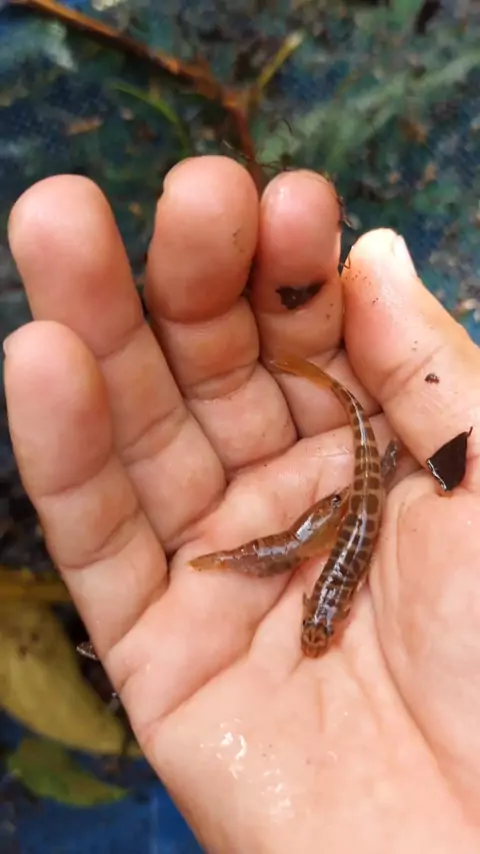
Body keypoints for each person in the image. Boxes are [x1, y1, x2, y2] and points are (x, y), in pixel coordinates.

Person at [4, 155, 480, 853]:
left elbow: (337, 572)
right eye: (319, 624)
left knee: (355, 452)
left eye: (317, 623)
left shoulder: (334, 584)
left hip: (350, 518)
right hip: (350, 515)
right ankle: (351, 425)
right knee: (355, 448)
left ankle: (353, 429)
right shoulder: (333, 580)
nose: (319, 622)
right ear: (328, 608)